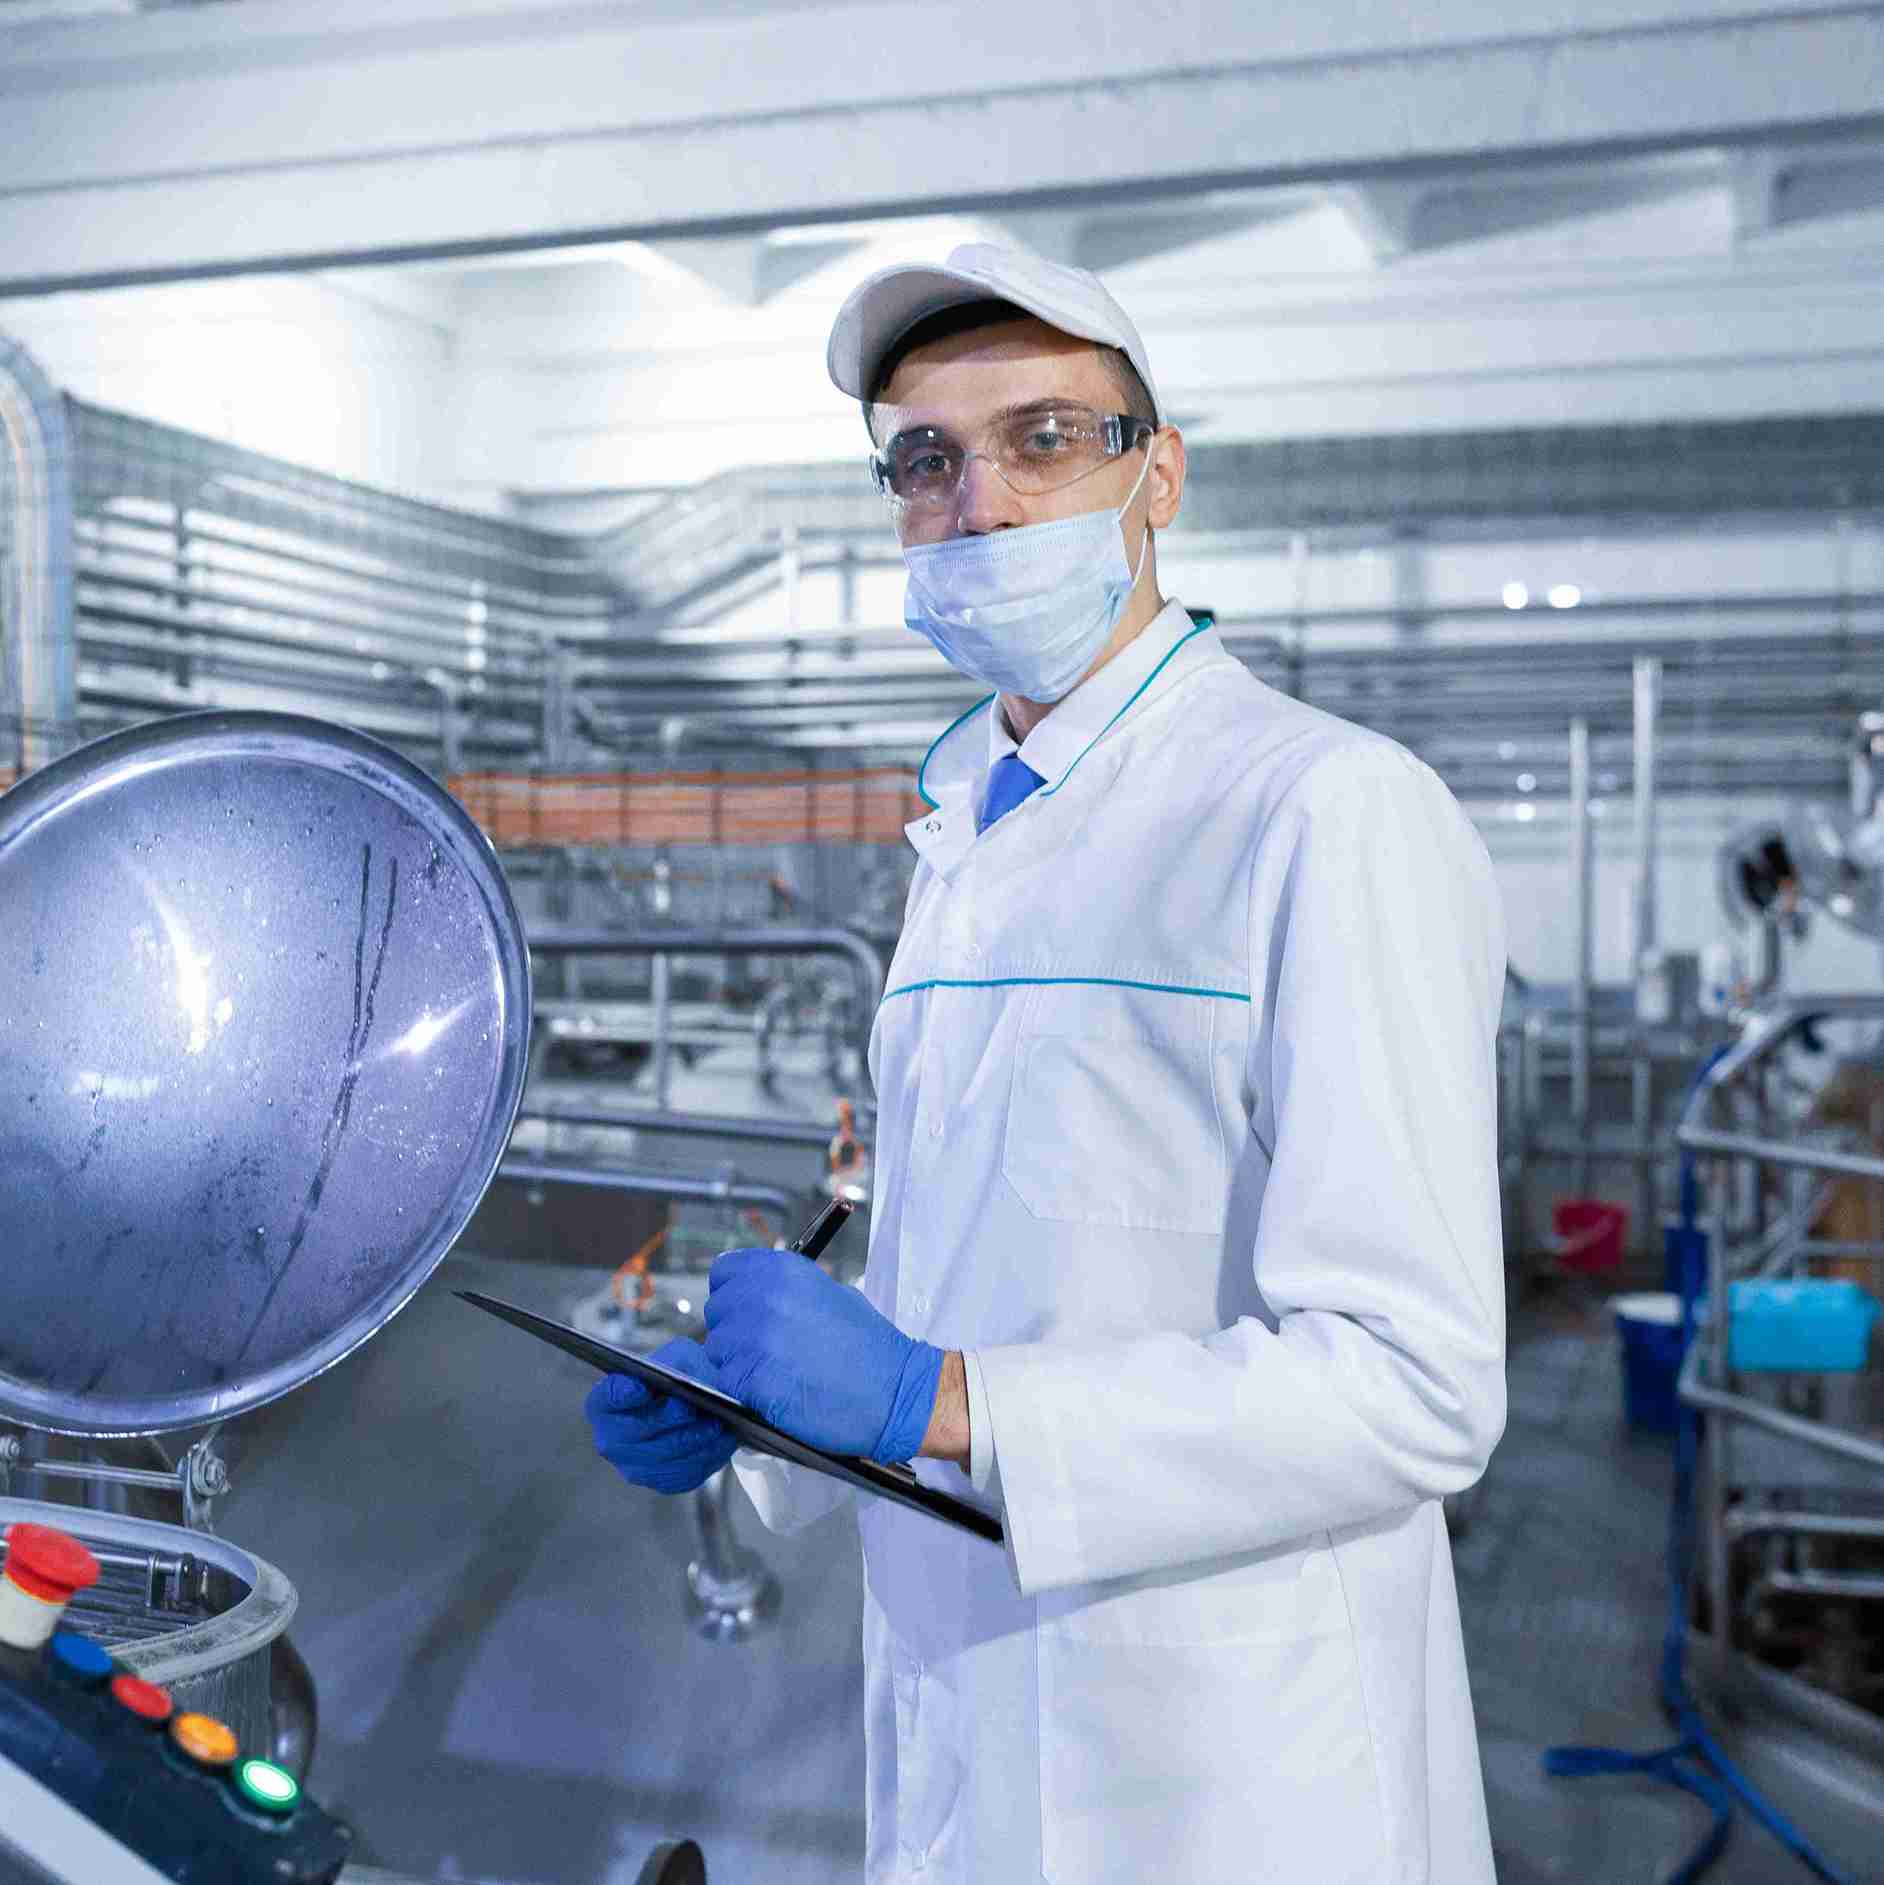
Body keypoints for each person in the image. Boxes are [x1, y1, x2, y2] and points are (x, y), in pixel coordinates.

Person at [582, 242, 1506, 1883]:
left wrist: (934, 1398)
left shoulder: (1324, 810)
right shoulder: (968, 829)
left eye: (1046, 436)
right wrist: (768, 1414)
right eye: (926, 459)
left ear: (1162, 476)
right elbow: (986, 1276)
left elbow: (1418, 1384)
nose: (983, 503)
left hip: (1221, 1773)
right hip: (969, 1711)